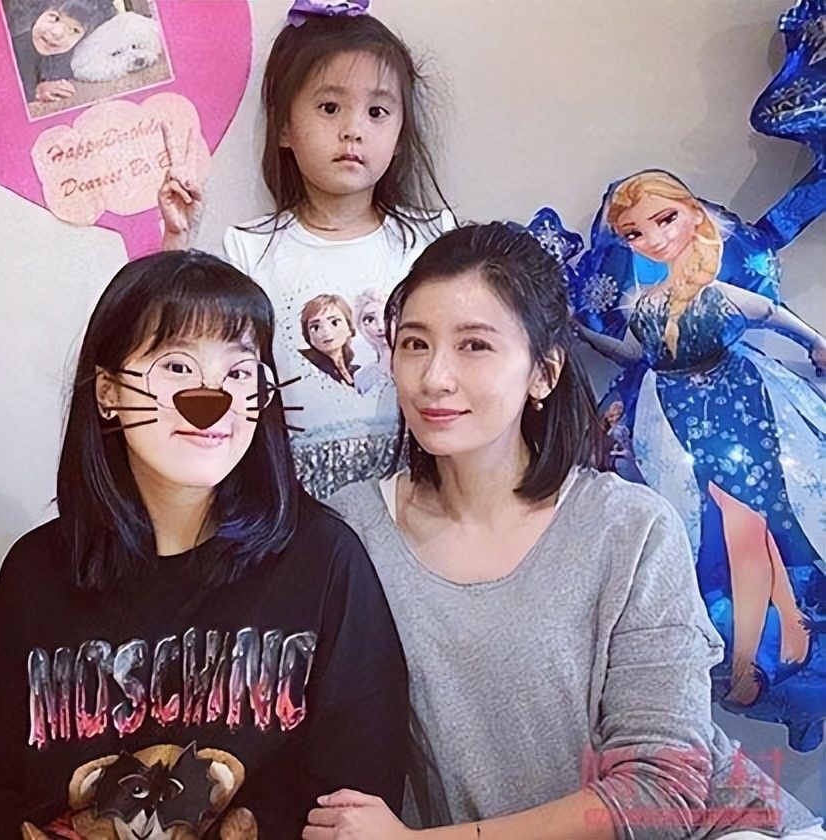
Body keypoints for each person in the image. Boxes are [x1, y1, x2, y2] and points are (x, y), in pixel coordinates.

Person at [312, 223, 823, 840]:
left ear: (544, 373)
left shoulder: (628, 528)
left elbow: (662, 795)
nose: (434, 377)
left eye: (474, 345)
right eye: (415, 344)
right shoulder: (351, 530)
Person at [0, 250, 408, 838]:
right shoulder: (35, 575)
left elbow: (358, 808)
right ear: (107, 391)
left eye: (238, 373)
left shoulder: (323, 560)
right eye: (178, 366)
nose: (212, 399)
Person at [159, 0, 454, 498]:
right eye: (330, 107)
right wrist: (177, 243)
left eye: (377, 112)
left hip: (420, 487)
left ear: (400, 134)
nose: (353, 129)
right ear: (285, 128)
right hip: (298, 498)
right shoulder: (251, 250)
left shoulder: (431, 240)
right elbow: (191, 352)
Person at [577, 170, 826, 740]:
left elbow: (770, 315)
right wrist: (581, 330)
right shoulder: (645, 303)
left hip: (740, 404)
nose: (654, 238)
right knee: (730, 530)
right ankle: (774, 639)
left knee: (755, 524)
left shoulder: (714, 291)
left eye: (665, 219)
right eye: (635, 233)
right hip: (676, 419)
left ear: (695, 216)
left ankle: (761, 651)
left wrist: (816, 343)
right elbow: (632, 352)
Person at [7, 0, 115, 103]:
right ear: (39, 12)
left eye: (75, 30)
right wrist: (33, 93)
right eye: (55, 18)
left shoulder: (73, 62)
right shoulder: (10, 46)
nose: (57, 33)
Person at [300, 293, 359, 387]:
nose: (326, 332)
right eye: (315, 327)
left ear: (349, 327)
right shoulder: (304, 366)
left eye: (334, 322)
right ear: (308, 336)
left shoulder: (359, 372)